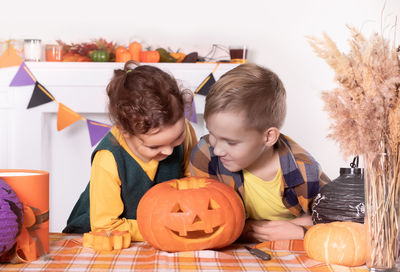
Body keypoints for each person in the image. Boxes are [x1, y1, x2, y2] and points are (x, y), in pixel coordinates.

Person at [190, 63, 330, 242]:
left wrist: (300, 231)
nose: (217, 150)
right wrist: (245, 227)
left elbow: (337, 218)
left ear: (269, 137)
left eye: (231, 142)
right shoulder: (205, 156)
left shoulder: (303, 170)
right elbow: (201, 215)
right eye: (212, 135)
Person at [63, 61, 197, 242]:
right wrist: (165, 225)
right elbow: (105, 226)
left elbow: (196, 187)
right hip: (101, 237)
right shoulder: (108, 159)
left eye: (176, 139)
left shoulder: (186, 132)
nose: (168, 151)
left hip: (159, 233)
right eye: (154, 147)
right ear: (125, 132)